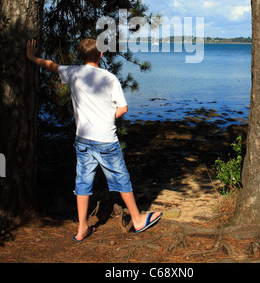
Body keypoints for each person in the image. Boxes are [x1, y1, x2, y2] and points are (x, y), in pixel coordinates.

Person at [26, 38, 162, 241]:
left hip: (83, 139)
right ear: (100, 55)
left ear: (81, 56)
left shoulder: (72, 72)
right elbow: (123, 108)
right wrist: (108, 116)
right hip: (106, 139)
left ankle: (82, 228)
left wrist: (32, 57)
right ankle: (137, 219)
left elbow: (51, 66)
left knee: (82, 181)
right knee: (121, 178)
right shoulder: (109, 78)